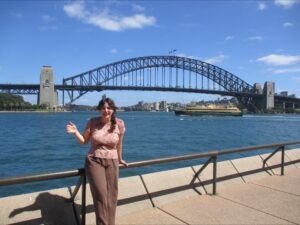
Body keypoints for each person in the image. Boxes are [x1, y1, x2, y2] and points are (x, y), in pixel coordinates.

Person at [66, 97, 127, 225]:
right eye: (103, 108)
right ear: (99, 110)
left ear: (113, 110)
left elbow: (119, 145)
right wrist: (75, 131)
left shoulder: (119, 124)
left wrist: (120, 159)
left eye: (109, 108)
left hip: (112, 161)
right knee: (100, 195)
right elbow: (84, 141)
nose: (106, 110)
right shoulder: (92, 122)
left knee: (112, 196)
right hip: (94, 160)